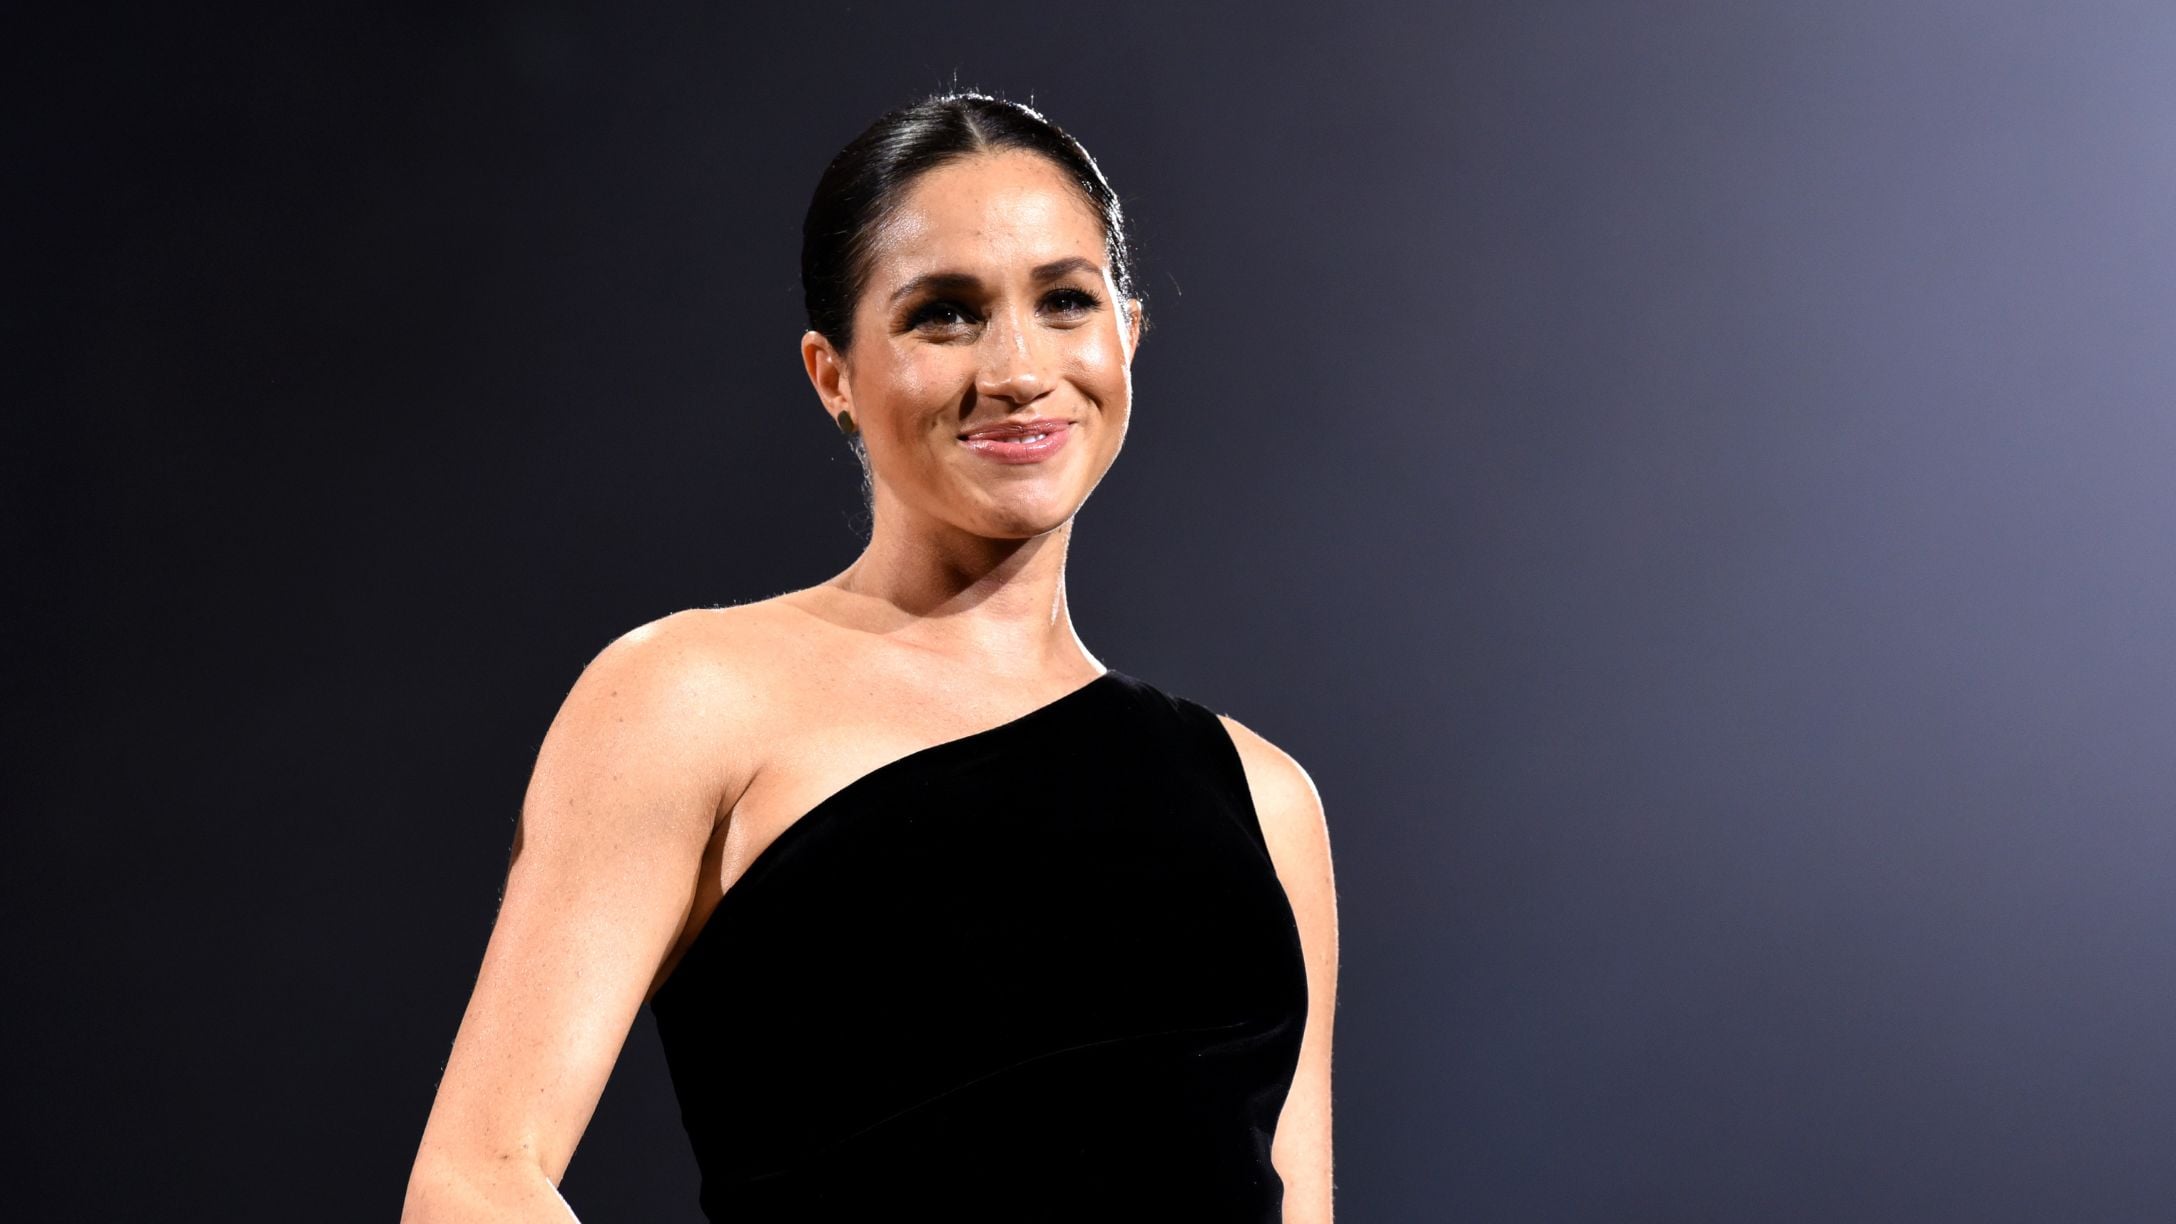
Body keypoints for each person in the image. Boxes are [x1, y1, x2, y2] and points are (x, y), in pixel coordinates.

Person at [401, 91, 1338, 1223]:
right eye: (943, 315)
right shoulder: (688, 699)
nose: (1016, 368)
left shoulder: (1263, 800)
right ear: (831, 374)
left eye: (1063, 301)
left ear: (1126, 336)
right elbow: (478, 1177)